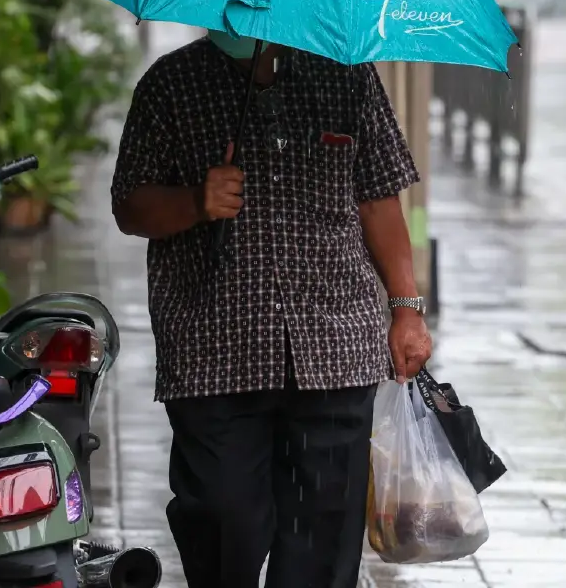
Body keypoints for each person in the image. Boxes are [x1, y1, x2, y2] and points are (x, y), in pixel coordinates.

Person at [111, 30, 433, 588]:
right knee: (221, 518)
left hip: (334, 345)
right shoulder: (170, 84)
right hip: (214, 349)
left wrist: (406, 309)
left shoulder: (347, 75)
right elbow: (129, 206)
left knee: (325, 536)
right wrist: (195, 200)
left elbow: (379, 199)